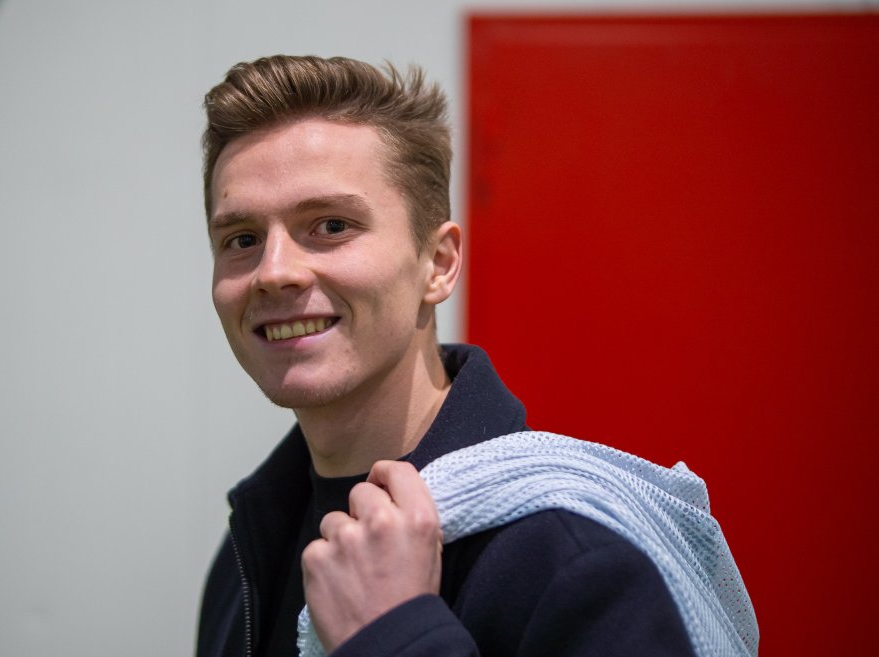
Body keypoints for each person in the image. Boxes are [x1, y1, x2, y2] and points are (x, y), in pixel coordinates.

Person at [195, 55, 754, 657]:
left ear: (438, 265)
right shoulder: (247, 551)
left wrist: (397, 636)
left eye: (330, 226)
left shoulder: (573, 556)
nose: (274, 272)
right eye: (242, 239)